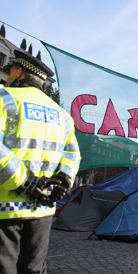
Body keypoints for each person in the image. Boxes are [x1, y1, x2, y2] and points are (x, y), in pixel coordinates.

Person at [0, 49, 81, 274]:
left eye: (10, 71)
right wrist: (62, 182)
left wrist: (27, 182)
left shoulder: (4, 98)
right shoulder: (62, 114)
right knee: (34, 269)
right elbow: (73, 154)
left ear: (18, 71)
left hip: (5, 209)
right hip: (43, 210)